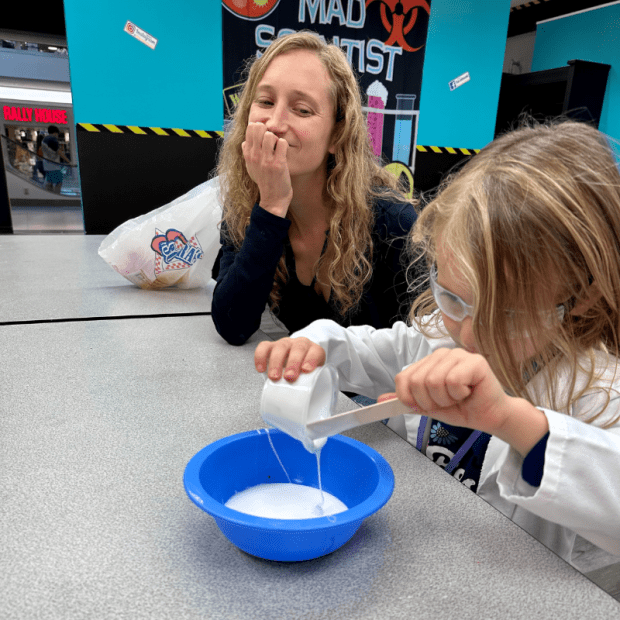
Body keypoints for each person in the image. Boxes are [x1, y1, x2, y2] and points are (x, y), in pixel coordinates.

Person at [254, 119, 620, 565]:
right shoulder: (436, 334)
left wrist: (511, 421)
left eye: (509, 316)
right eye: (451, 296)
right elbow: (361, 350)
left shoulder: (598, 394)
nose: (468, 332)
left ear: (581, 298)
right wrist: (313, 344)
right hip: (418, 559)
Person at [211, 31, 422, 346]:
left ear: (337, 135)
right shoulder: (245, 207)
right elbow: (233, 324)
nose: (274, 122)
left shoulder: (394, 224)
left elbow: (428, 350)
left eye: (302, 110)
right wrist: (272, 206)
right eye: (266, 102)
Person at [41, 125, 70, 193]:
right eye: (57, 133)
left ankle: (50, 197)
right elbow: (59, 152)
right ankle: (57, 197)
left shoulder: (44, 139)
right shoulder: (52, 139)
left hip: (47, 165)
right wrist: (68, 161)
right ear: (55, 132)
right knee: (58, 183)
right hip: (54, 166)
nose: (57, 135)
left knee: (50, 183)